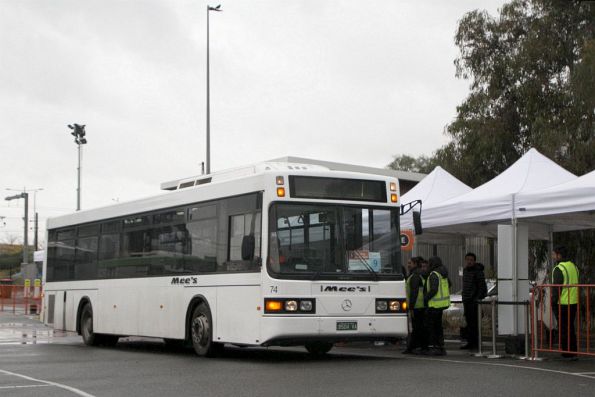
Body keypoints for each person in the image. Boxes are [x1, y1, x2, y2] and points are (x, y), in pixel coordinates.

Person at [551, 246, 579, 358]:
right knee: (571, 327)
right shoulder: (574, 267)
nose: (553, 256)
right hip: (573, 302)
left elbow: (557, 288)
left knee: (563, 328)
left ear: (559, 255)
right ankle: (573, 351)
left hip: (562, 303)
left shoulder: (559, 268)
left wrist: (553, 302)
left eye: (554, 254)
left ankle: (566, 352)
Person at [424, 256, 451, 356]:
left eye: (429, 263)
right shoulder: (443, 274)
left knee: (432, 327)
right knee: (438, 327)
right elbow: (449, 284)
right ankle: (441, 347)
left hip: (434, 305)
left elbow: (434, 289)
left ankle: (435, 347)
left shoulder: (434, 274)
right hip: (442, 304)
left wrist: (426, 298)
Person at [460, 252, 487, 350]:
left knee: (474, 323)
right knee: (469, 323)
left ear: (474, 261)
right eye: (467, 260)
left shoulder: (478, 272)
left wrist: (477, 299)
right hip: (467, 301)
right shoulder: (466, 271)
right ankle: (470, 342)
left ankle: (476, 343)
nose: (469, 262)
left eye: (471, 260)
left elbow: (482, 287)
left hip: (474, 302)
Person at [403, 256, 427, 354]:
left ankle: (414, 347)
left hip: (417, 305)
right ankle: (418, 346)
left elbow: (414, 291)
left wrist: (411, 306)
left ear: (415, 264)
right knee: (419, 327)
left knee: (417, 328)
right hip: (420, 304)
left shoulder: (415, 275)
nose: (408, 265)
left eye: (410, 263)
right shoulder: (417, 274)